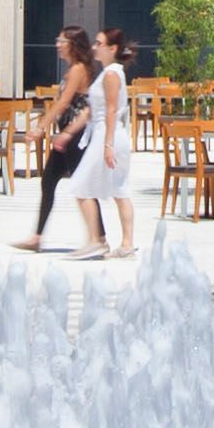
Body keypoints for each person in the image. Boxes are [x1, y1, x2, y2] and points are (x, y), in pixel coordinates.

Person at [19, 39, 94, 249]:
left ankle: (99, 238)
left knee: (82, 186)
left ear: (73, 45)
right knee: (49, 180)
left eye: (62, 41)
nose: (57, 44)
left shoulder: (78, 69)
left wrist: (40, 128)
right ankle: (37, 237)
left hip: (74, 135)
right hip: (65, 135)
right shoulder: (73, 68)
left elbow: (62, 103)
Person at [73, 29, 140, 262]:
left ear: (112, 49)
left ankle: (98, 240)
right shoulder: (110, 73)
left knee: (83, 185)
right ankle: (123, 244)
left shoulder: (111, 74)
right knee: (118, 190)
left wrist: (108, 144)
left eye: (99, 43)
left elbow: (111, 109)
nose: (94, 47)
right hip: (105, 134)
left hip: (108, 135)